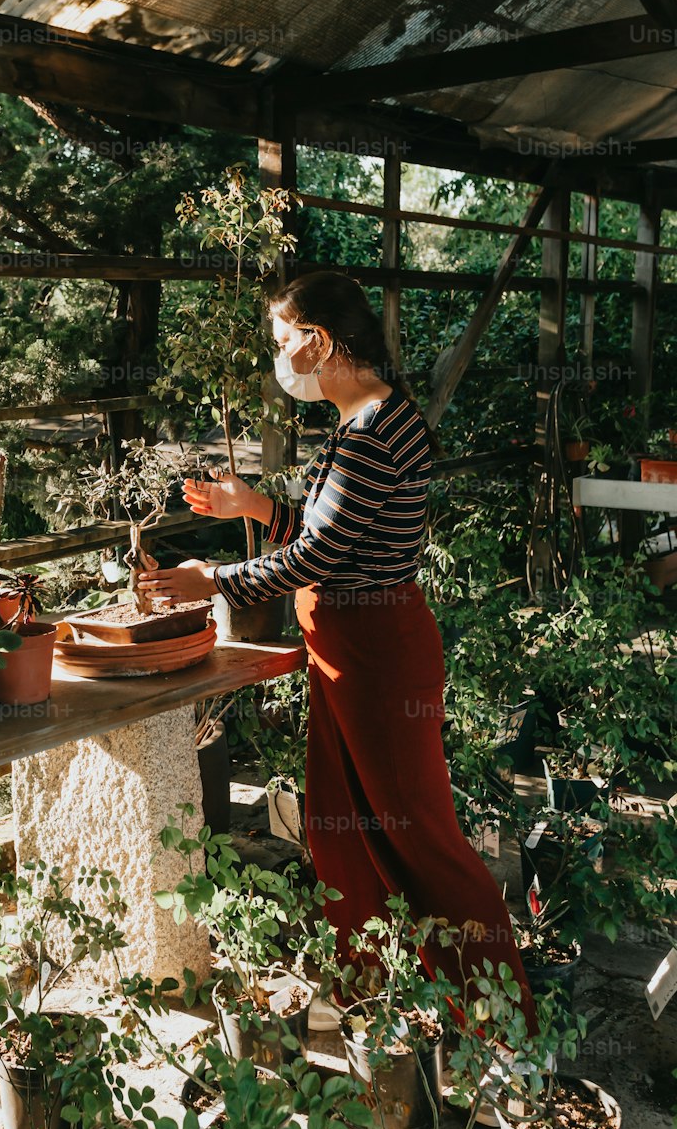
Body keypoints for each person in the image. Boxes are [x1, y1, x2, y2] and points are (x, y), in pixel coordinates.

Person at [139, 269, 537, 1030]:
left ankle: (501, 1029)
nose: (282, 359)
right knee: (335, 823)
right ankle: (367, 992)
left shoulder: (376, 429)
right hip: (348, 649)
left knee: (420, 836)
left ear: (322, 340)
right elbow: (338, 541)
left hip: (379, 655)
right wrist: (255, 506)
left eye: (287, 341)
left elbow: (319, 558)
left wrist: (210, 580)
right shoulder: (363, 424)